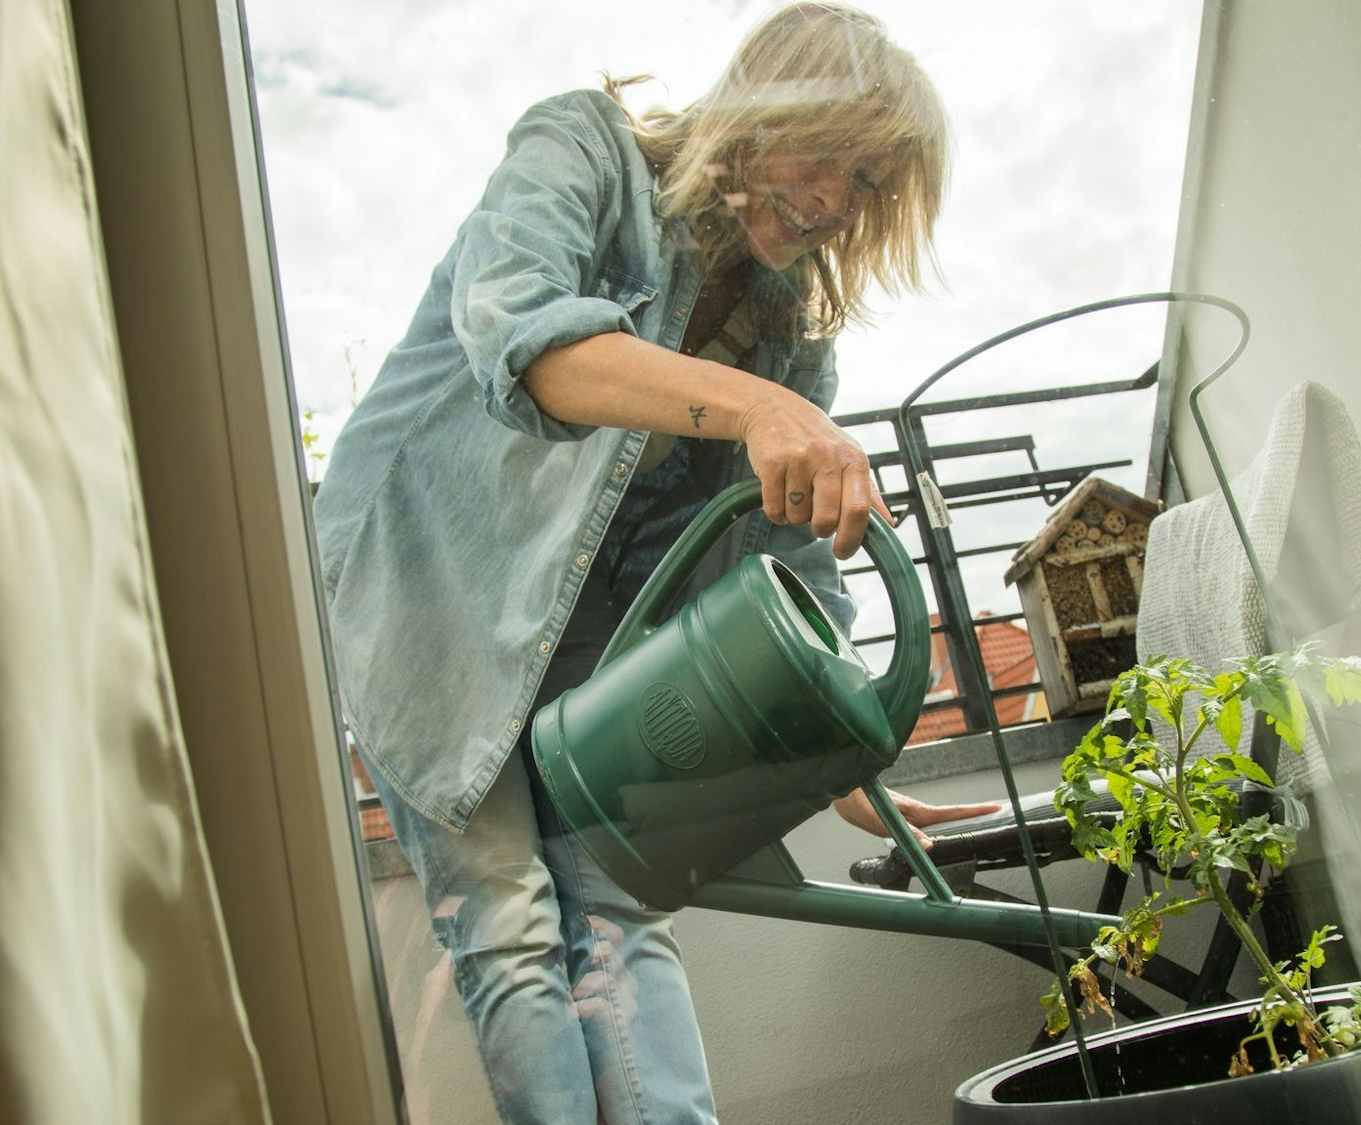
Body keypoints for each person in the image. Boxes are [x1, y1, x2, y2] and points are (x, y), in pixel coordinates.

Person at [313, 5, 995, 1121]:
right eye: (826, 153)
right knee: (506, 918)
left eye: (867, 183)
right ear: (764, 101)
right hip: (427, 576)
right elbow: (527, 343)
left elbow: (787, 565)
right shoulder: (583, 148)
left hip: (598, 627)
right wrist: (758, 409)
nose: (833, 201)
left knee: (622, 911)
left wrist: (841, 755)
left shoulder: (790, 330)